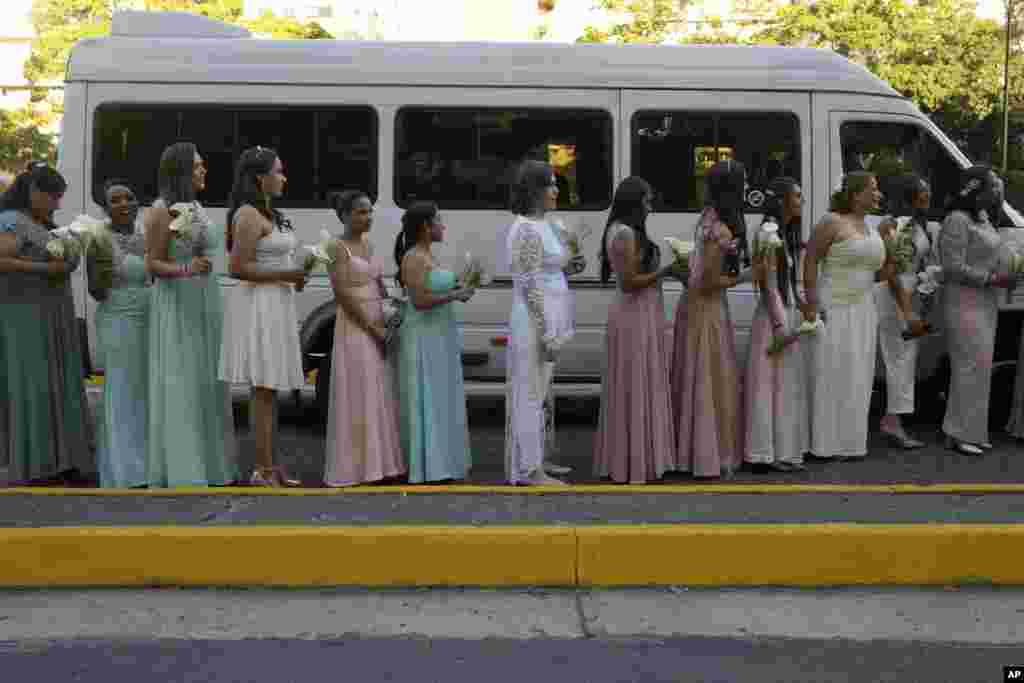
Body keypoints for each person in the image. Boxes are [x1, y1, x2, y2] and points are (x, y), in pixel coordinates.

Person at [144, 142, 238, 487]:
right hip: (177, 301)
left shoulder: (196, 207)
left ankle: (213, 465)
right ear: (181, 171)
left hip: (205, 298)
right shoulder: (158, 211)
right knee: (182, 378)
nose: (203, 171)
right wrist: (186, 268)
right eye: (197, 166)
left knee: (206, 379)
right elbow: (151, 264)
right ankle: (185, 467)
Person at [0, 162, 94, 484]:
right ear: (33, 192)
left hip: (52, 314)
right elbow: (3, 261)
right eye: (53, 196)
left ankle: (60, 460)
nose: (57, 203)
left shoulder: (39, 223)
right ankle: (37, 464)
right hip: (27, 316)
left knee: (57, 383)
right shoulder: (13, 221)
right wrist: (47, 270)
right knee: (36, 385)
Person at [219, 146, 308, 487]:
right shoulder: (246, 215)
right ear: (261, 178)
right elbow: (238, 267)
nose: (284, 177)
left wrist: (296, 276)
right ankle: (261, 469)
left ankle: (271, 464)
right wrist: (286, 276)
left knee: (273, 391)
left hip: (278, 302)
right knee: (263, 390)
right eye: (279, 171)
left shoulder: (272, 214)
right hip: (258, 305)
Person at [502, 160, 585, 486]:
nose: (556, 190)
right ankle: (529, 470)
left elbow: (548, 269)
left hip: (549, 317)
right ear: (534, 190)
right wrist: (547, 332)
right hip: (535, 321)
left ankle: (537, 461)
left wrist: (569, 267)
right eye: (550, 184)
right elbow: (528, 284)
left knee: (540, 394)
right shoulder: (524, 228)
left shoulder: (545, 224)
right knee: (530, 394)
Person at [594, 176, 676, 483]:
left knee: (633, 385)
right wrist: (665, 272)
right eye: (647, 200)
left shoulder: (619, 230)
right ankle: (638, 462)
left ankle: (628, 458)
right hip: (634, 315)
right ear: (634, 201)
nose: (650, 206)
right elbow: (629, 283)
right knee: (637, 383)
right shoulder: (625, 233)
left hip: (636, 313)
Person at [801, 171, 887, 461]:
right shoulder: (832, 222)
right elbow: (811, 258)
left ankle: (851, 441)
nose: (878, 194)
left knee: (858, 376)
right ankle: (826, 443)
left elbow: (877, 271)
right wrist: (811, 301)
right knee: (831, 374)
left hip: (863, 309)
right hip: (834, 306)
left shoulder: (872, 226)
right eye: (873, 189)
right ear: (855, 193)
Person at [323, 189, 406, 486]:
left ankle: (380, 464)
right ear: (344, 215)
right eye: (361, 212)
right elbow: (343, 295)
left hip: (375, 318)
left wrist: (390, 310)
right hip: (355, 325)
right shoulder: (335, 247)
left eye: (369, 211)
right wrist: (373, 330)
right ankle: (359, 467)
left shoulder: (368, 245)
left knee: (377, 389)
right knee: (358, 389)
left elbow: (377, 282)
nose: (367, 217)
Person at [671, 160, 744, 478]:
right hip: (709, 308)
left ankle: (691, 450)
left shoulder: (707, 219)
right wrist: (746, 276)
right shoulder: (721, 230)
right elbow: (711, 282)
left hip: (694, 306)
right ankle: (712, 455)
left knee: (696, 377)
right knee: (711, 378)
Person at [394, 201, 475, 483]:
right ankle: (427, 466)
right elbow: (419, 300)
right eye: (439, 221)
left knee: (440, 396)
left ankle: (441, 462)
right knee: (425, 394)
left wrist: (463, 284)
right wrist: (455, 295)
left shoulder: (429, 255)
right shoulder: (414, 257)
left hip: (440, 333)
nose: (443, 226)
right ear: (426, 227)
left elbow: (436, 287)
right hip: (423, 336)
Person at [939, 166, 1015, 455]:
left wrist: (1007, 271)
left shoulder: (983, 218)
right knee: (967, 367)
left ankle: (973, 430)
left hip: (986, 300)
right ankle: (956, 433)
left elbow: (991, 254)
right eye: (994, 185)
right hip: (963, 300)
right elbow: (952, 267)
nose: (998, 189)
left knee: (981, 367)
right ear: (976, 188)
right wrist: (991, 278)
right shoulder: (956, 220)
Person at [742, 177, 809, 472]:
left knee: (783, 386)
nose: (801, 202)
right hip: (772, 319)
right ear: (782, 200)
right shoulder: (768, 232)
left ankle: (781, 450)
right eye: (797, 197)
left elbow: (787, 283)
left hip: (784, 312)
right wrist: (782, 326)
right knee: (767, 387)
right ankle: (762, 452)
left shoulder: (783, 232)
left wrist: (804, 309)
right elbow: (769, 285)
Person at [87, 178, 150, 488]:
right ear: (105, 208)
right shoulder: (98, 239)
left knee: (147, 390)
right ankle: (124, 468)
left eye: (129, 197)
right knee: (123, 389)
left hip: (150, 318)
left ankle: (149, 463)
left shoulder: (147, 233)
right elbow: (96, 291)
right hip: (118, 319)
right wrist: (106, 268)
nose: (124, 203)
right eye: (116, 200)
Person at [874, 174, 938, 449]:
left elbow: (921, 263)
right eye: (923, 192)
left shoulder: (923, 225)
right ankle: (892, 421)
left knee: (907, 358)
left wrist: (927, 288)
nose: (928, 196)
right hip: (895, 296)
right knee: (898, 358)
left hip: (915, 294)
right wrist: (906, 308)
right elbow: (891, 272)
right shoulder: (893, 225)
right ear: (910, 195)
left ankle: (894, 418)